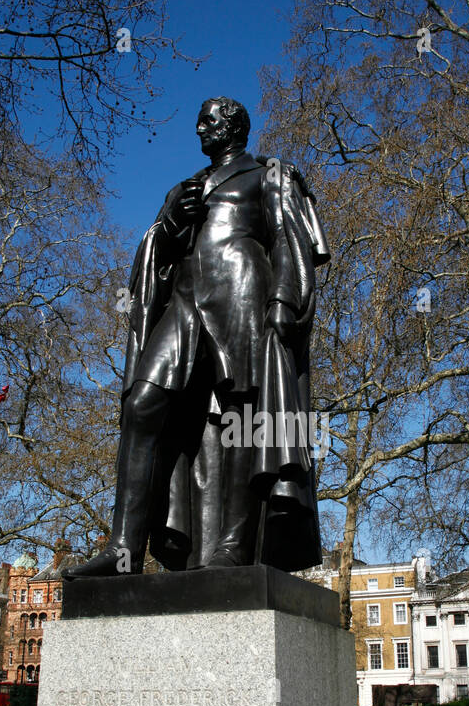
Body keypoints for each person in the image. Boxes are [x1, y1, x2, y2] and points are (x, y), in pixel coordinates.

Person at [66, 97, 330, 577]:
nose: (199, 128)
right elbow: (156, 251)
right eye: (199, 119)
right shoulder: (184, 188)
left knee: (243, 417)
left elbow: (289, 241)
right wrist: (168, 222)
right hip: (185, 301)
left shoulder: (267, 174)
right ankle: (123, 549)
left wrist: (282, 303)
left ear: (233, 126)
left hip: (243, 293)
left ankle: (233, 545)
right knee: (141, 404)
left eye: (207, 120)